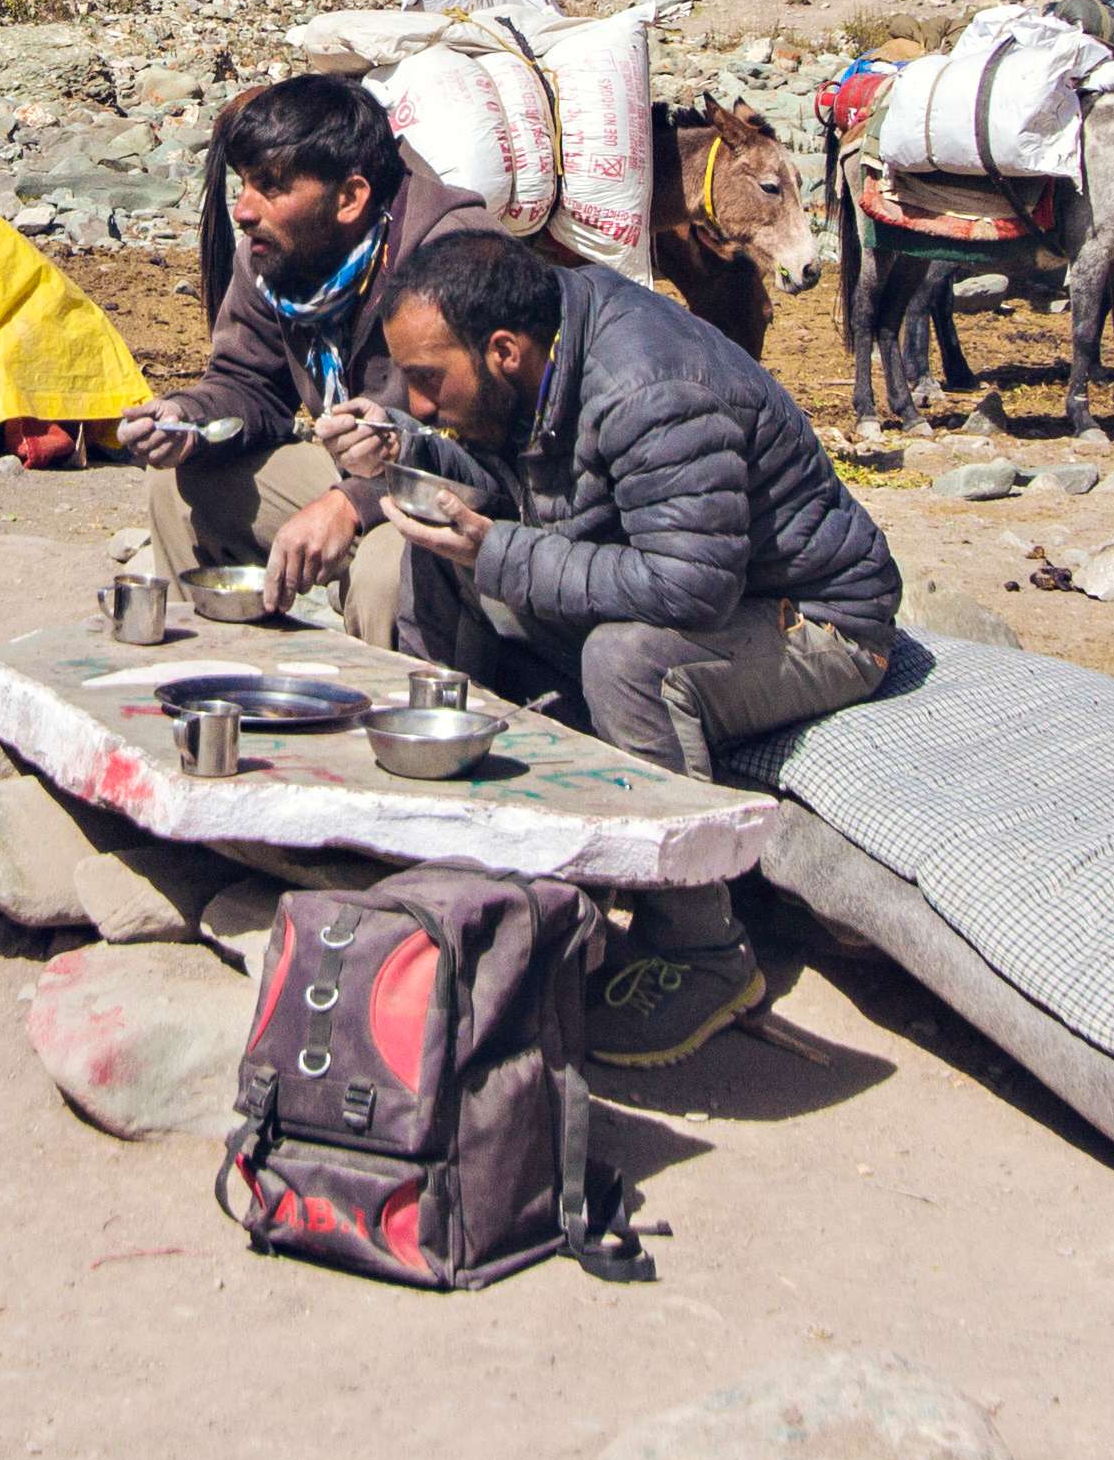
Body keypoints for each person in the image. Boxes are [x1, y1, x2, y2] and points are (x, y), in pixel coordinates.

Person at [333, 227, 902, 1070]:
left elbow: (691, 587)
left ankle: (706, 949)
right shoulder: (541, 352)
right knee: (447, 551)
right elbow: (515, 472)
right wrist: (407, 449)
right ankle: (453, 823)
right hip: (709, 590)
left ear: (503, 350)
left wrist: (495, 550)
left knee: (625, 661)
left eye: (425, 382)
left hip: (816, 620)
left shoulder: (650, 387)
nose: (415, 399)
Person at [118, 73, 488, 643]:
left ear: (349, 198)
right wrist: (189, 418)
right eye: (243, 184)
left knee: (388, 569)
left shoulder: (451, 256)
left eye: (271, 186)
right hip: (355, 473)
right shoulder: (272, 255)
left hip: (449, 496)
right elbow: (249, 380)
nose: (242, 210)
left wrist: (351, 504)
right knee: (182, 483)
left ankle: (396, 721)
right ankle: (219, 683)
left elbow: (482, 445)